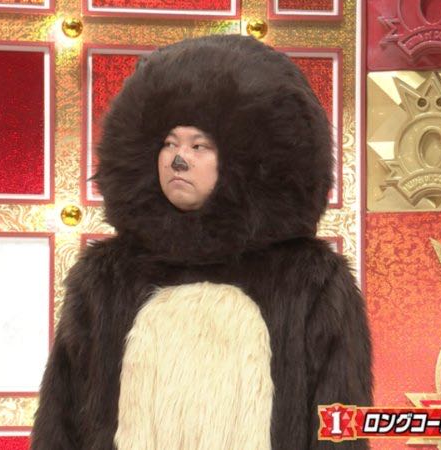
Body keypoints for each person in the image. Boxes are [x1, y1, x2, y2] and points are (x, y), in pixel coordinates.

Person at [30, 34, 372, 449]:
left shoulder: (310, 280)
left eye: (199, 145)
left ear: (246, 158)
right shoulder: (105, 277)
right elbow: (62, 420)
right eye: (169, 144)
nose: (178, 160)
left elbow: (338, 424)